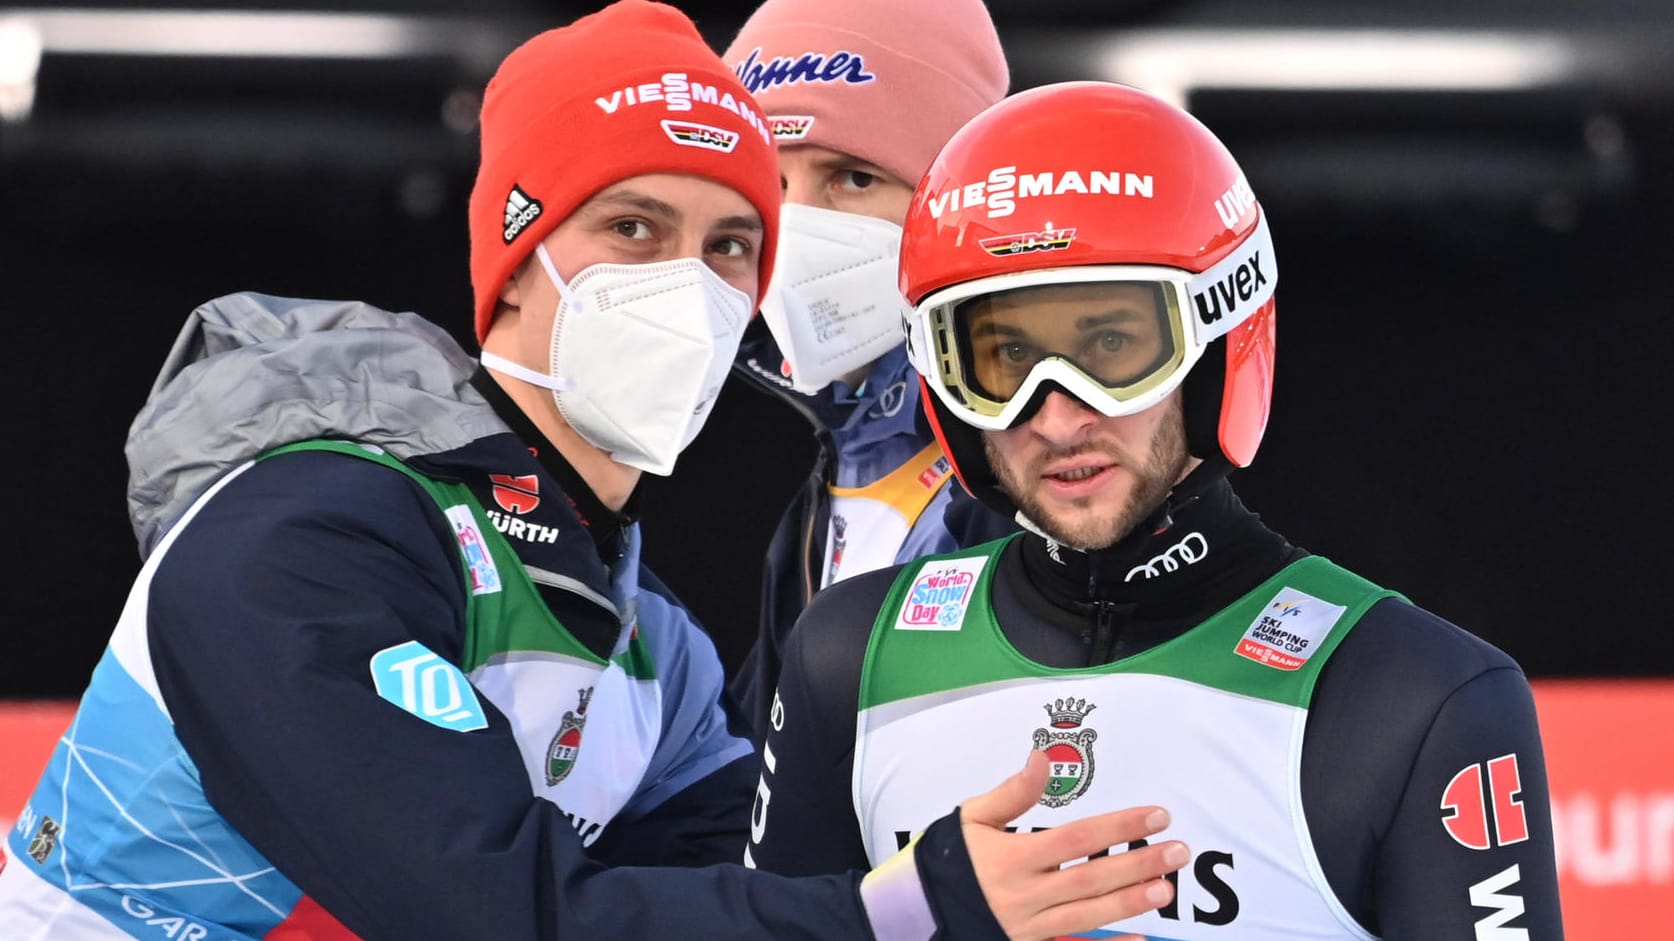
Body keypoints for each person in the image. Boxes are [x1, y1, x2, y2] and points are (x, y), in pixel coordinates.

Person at [0, 6, 1192, 939]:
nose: (691, 282)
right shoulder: (300, 533)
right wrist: (907, 904)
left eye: (731, 244)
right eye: (632, 228)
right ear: (515, 265)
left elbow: (760, 885)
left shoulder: (647, 649)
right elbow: (482, 909)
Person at [745, 81, 1566, 938]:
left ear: (1215, 343)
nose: (1057, 416)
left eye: (1111, 346)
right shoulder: (848, 657)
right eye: (1005, 356)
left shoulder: (1417, 696)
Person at [719, 0, 1020, 744]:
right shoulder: (827, 490)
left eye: (853, 178)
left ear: (953, 202)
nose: (796, 231)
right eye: (770, 185)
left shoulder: (1050, 476)